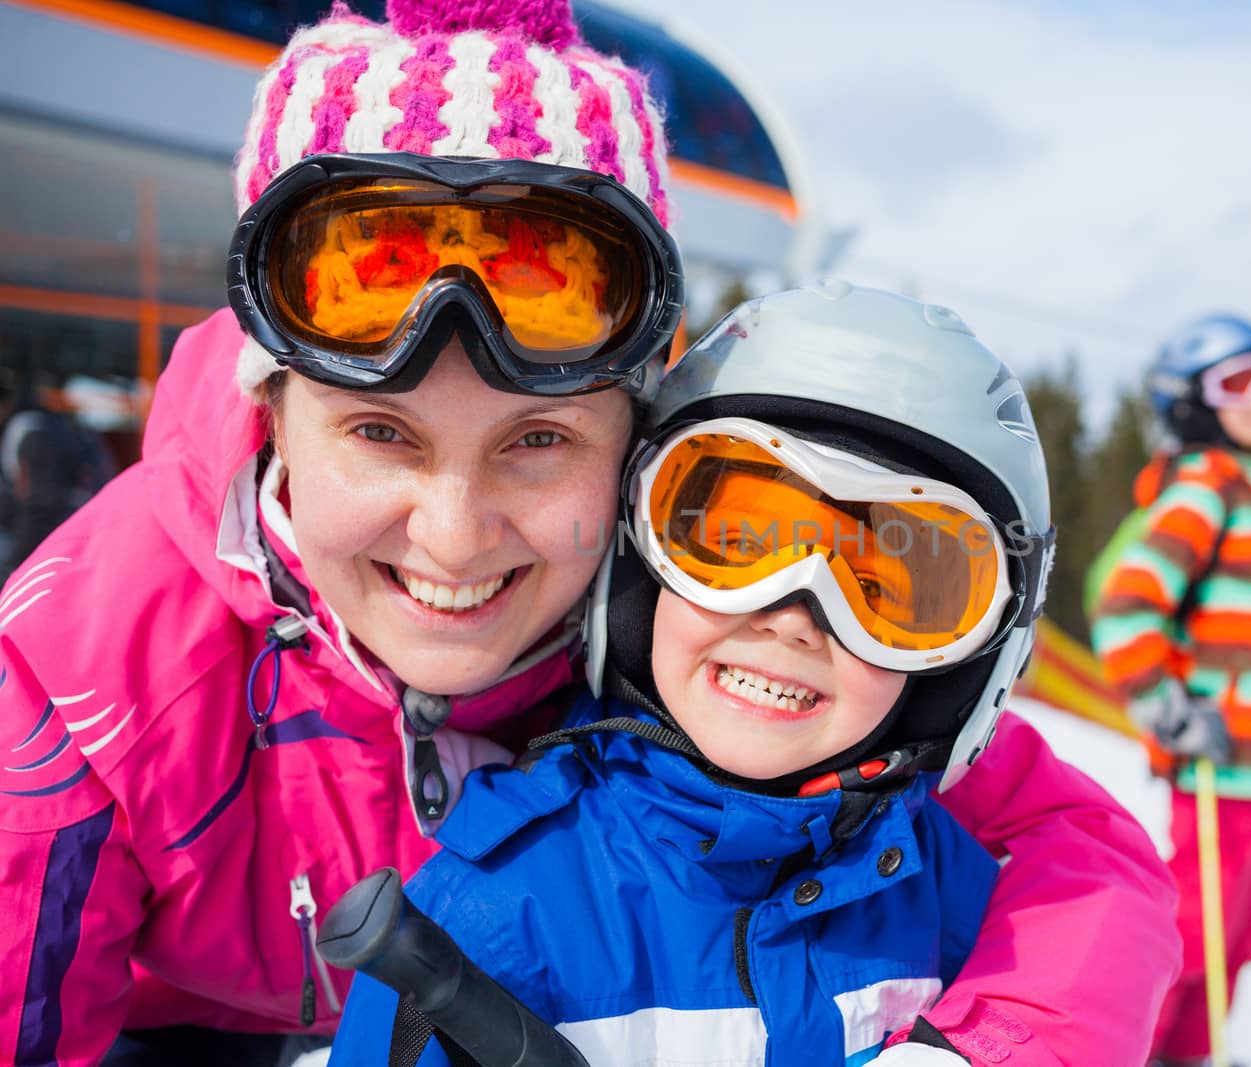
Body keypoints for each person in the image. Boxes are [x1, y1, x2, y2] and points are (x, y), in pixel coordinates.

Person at [0, 2, 1177, 1065]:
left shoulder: (696, 612)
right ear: (272, 413)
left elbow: (1080, 855)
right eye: (379, 432)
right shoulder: (86, 675)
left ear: (636, 446)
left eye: (537, 441)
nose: (455, 542)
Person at [331, 282, 1056, 1064]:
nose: (793, 615)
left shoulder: (955, 898)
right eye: (736, 549)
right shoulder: (491, 920)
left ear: (962, 665)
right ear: (639, 564)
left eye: (879, 591)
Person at [1091, 314, 1251, 1067]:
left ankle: (1191, 1052)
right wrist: (1164, 705)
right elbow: (1127, 603)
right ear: (1190, 402)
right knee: (1193, 927)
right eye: (1236, 383)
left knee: (1242, 931)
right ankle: (1138, 1049)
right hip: (1215, 758)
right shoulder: (1204, 491)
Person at [0, 369, 114, 583]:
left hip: (65, 539)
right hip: (74, 535)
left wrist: (13, 566)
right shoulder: (46, 425)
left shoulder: (31, 432)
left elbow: (41, 503)